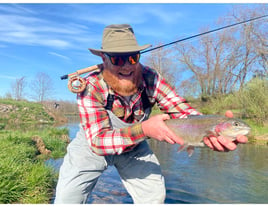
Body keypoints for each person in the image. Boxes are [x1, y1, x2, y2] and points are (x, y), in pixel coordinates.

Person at [54, 24, 247, 204]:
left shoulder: (151, 78)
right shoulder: (91, 86)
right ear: (104, 60)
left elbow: (181, 110)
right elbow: (98, 141)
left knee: (154, 195)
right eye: (118, 59)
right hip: (92, 146)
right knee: (67, 197)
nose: (127, 66)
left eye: (132, 58)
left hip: (135, 146)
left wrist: (208, 125)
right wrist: (145, 129)